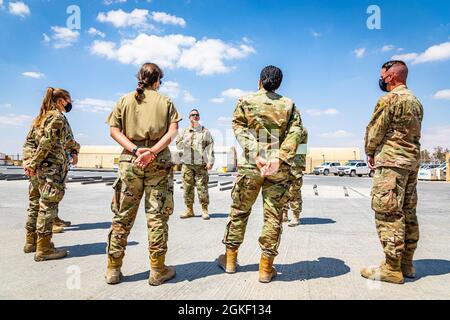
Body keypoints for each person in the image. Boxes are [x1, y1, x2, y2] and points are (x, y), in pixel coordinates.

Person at [217, 65, 305, 283]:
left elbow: (238, 127)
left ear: (260, 81)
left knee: (239, 211)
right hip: (277, 168)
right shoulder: (289, 104)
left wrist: (256, 153)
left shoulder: (245, 101)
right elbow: (297, 132)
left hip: (251, 166)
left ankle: (230, 260)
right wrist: (279, 158)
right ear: (279, 83)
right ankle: (265, 268)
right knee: (274, 215)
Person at [105, 62, 182, 286]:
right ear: (157, 80)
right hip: (157, 162)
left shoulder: (124, 100)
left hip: (130, 162)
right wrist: (152, 152)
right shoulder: (166, 102)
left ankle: (113, 269)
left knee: (122, 216)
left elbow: (113, 131)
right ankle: (157, 270)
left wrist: (136, 150)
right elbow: (173, 132)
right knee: (157, 217)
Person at [361, 60, 423, 284]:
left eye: (383, 75)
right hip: (410, 163)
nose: (381, 79)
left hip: (391, 163)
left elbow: (376, 130)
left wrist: (369, 151)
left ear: (392, 77)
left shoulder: (390, 99)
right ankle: (407, 263)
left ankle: (391, 267)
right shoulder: (416, 101)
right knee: (407, 212)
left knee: (388, 212)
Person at [22, 87, 77, 261]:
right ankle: (43, 249)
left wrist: (29, 163)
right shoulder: (58, 118)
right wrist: (33, 163)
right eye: (69, 100)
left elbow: (29, 143)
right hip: (50, 171)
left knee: (35, 205)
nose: (70, 104)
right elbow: (47, 143)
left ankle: (31, 242)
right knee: (47, 207)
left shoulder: (39, 119)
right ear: (61, 101)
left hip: (37, 171)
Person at [176, 109, 215, 220]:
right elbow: (178, 146)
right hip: (187, 165)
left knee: (202, 188)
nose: (195, 116)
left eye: (197, 115)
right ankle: (189, 210)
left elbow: (210, 147)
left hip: (200, 165)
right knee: (187, 188)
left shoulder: (205, 131)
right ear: (189, 117)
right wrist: (186, 140)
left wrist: (210, 161)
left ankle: (204, 210)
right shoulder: (183, 132)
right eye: (193, 115)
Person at [282, 129, 308, 227]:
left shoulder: (300, 130)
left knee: (294, 190)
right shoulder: (281, 128)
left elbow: (291, 144)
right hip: (282, 163)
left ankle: (295, 215)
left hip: (295, 164)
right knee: (282, 189)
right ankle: (284, 213)